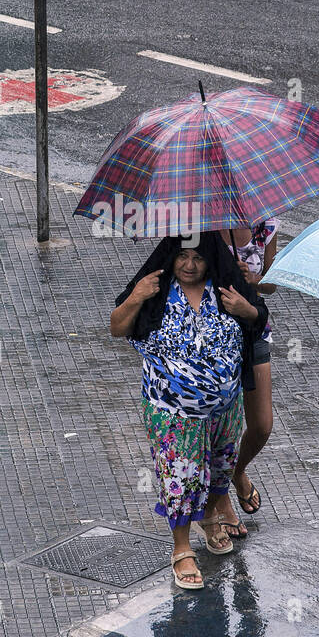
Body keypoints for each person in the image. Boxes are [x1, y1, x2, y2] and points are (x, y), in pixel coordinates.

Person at [111, 233, 267, 590]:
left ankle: (210, 515)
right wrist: (136, 297)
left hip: (225, 407)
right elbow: (117, 327)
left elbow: (258, 319)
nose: (190, 265)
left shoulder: (227, 287)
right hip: (172, 411)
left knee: (220, 467)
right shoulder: (154, 288)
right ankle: (182, 549)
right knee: (180, 475)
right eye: (183, 256)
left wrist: (249, 309)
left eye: (198, 257)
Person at [218, 221, 279, 536]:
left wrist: (254, 280)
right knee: (222, 427)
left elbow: (272, 283)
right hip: (213, 337)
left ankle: (237, 471)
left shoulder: (267, 225)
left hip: (254, 326)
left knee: (262, 424)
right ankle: (221, 503)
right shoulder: (204, 223)